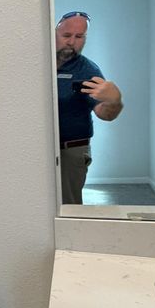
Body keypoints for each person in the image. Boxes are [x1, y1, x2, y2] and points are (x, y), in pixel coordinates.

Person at [55, 11, 123, 204]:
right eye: (66, 35)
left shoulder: (88, 70)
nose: (71, 42)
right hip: (34, 149)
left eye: (79, 37)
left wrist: (114, 101)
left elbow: (104, 113)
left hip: (72, 151)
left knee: (69, 206)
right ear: (54, 33)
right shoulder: (36, 63)